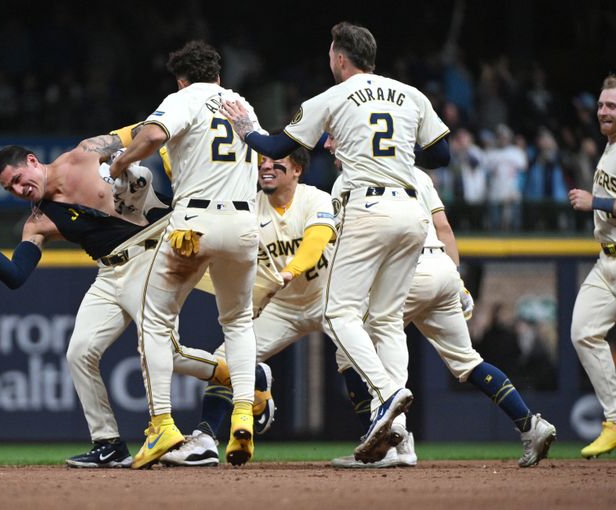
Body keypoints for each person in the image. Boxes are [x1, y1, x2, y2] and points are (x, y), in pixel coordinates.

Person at [221, 22, 450, 462]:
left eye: (331, 54)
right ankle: (399, 440)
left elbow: (274, 144)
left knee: (338, 311)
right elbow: (441, 155)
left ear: (340, 59)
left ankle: (386, 397)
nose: (330, 61)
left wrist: (246, 128)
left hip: (368, 208)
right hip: (411, 210)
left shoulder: (332, 97)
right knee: (384, 320)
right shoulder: (410, 94)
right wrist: (395, 153)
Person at [0, 125, 230, 469]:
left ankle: (241, 377)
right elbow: (16, 277)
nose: (17, 189)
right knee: (79, 352)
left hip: (149, 252)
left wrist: (154, 157)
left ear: (32, 161)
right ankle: (108, 444)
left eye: (17, 178)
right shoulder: (38, 222)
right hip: (108, 272)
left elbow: (151, 130)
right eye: (8, 187)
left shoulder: (87, 153)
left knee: (165, 351)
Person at [331, 166, 557, 469]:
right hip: (442, 269)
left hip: (404, 271)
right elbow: (444, 228)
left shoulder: (351, 180)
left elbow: (345, 244)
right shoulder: (418, 175)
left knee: (353, 351)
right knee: (467, 360)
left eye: (337, 136)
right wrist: (458, 280)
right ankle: (529, 425)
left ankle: (395, 443)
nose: (332, 146)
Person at [108, 40, 262, 468]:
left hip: (194, 224)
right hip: (244, 224)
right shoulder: (240, 102)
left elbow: (154, 134)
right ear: (218, 73)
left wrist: (120, 163)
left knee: (154, 321)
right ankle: (243, 415)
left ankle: (161, 426)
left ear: (181, 79)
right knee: (238, 322)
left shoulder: (183, 98)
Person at [160, 147, 338, 466]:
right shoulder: (249, 207)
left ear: (297, 169)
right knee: (224, 359)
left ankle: (389, 435)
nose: (266, 166)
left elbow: (316, 242)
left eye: (276, 161)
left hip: (328, 297)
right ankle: (204, 438)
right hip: (279, 306)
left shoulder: (316, 198)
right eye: (262, 162)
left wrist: (289, 271)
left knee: (360, 356)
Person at [568, 73, 616, 459]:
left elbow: (603, 203)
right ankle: (614, 422)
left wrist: (594, 202)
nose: (603, 111)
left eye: (612, 105)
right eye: (602, 104)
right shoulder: (608, 146)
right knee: (583, 331)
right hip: (607, 262)